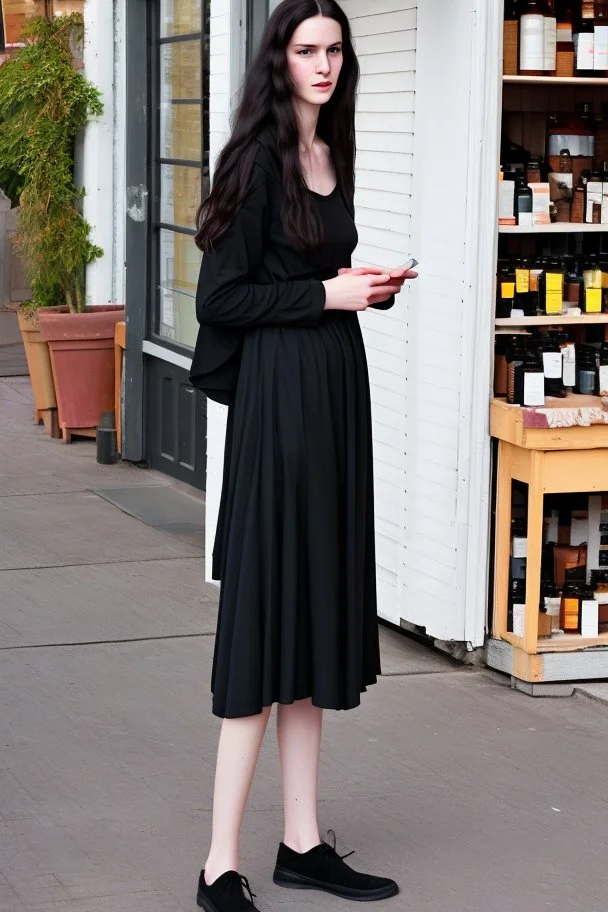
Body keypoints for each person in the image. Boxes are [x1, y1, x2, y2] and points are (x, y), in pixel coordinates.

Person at [190, 1, 417, 909]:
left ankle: (301, 842)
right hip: (278, 410)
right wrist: (327, 294)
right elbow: (223, 302)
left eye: (335, 50)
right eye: (306, 50)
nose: (323, 64)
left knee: (312, 615)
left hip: (330, 401)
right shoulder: (253, 161)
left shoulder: (334, 152)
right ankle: (217, 865)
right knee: (263, 626)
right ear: (279, 61)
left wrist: (368, 292)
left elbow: (317, 283)